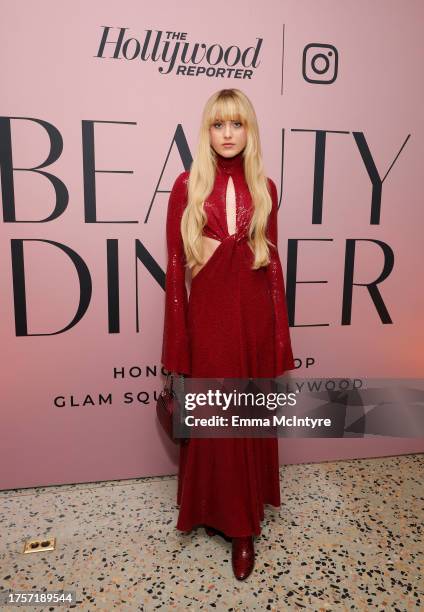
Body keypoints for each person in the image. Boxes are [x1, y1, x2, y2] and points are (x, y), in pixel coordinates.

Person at [161, 88, 295, 580]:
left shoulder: (266, 187)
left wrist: (280, 337)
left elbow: (272, 266)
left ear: (249, 130)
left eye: (237, 124)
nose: (228, 134)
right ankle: (206, 509)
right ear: (207, 131)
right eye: (219, 125)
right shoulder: (187, 185)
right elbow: (176, 271)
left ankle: (243, 529)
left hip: (255, 320)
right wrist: (178, 342)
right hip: (211, 320)